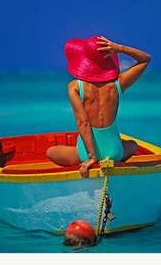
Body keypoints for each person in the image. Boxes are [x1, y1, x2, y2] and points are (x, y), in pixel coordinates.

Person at [46, 36, 151, 178]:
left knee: (51, 152)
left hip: (86, 153)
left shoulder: (75, 87)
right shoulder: (118, 84)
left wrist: (92, 157)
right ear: (108, 59)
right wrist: (119, 48)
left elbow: (83, 123)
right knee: (132, 145)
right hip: (114, 152)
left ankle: (89, 156)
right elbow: (145, 59)